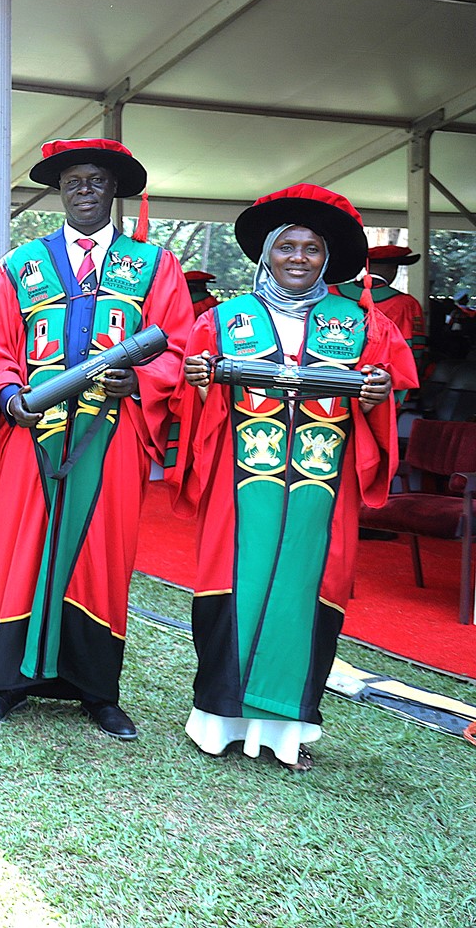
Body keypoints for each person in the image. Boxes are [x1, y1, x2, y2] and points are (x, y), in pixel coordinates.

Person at [176, 184, 414, 772]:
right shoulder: (226, 320)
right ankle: (217, 721)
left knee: (307, 590)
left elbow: (384, 392)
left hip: (322, 490)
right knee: (235, 584)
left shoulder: (359, 323)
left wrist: (377, 394)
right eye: (288, 246)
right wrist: (201, 381)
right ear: (267, 254)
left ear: (326, 259)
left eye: (311, 248)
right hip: (241, 483)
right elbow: (190, 398)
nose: (299, 257)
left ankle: (286, 731)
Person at [0, 139, 191, 739]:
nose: (85, 190)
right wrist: (9, 393)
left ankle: (98, 691)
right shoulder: (19, 266)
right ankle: (11, 685)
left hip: (112, 432)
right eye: (74, 180)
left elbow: (174, 343)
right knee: (24, 550)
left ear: (113, 188)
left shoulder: (154, 265)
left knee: (103, 552)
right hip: (31, 435)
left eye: (96, 180)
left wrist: (139, 379)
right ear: (60, 190)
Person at [332, 244, 427, 378]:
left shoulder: (332, 293)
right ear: (393, 269)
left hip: (334, 372)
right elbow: (414, 349)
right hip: (382, 377)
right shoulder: (406, 304)